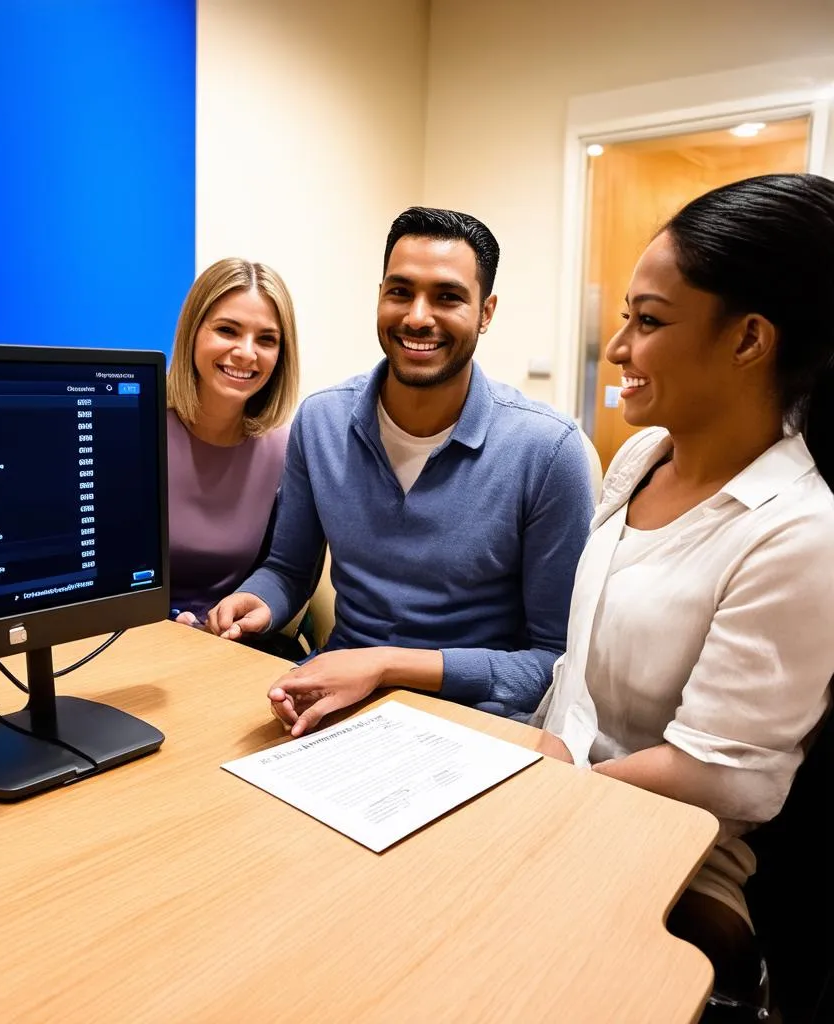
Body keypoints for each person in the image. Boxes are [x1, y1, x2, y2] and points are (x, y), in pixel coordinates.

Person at [531, 174, 834, 1010]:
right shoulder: (639, 461)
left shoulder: (798, 531)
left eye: (650, 321)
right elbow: (577, 676)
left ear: (748, 342)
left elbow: (724, 780)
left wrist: (538, 794)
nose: (620, 347)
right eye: (625, 315)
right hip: (552, 799)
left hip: (672, 862)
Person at [206, 207, 595, 722]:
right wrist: (258, 601)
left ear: (486, 311)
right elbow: (289, 569)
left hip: (478, 718)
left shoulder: (547, 450)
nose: (417, 316)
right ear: (380, 295)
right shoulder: (321, 420)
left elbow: (553, 663)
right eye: (400, 291)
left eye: (448, 297)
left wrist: (387, 665)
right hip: (337, 699)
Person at [166, 257, 300, 627]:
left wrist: (240, 619)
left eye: (267, 339)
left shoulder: (287, 450)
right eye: (227, 330)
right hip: (122, 640)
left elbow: (283, 572)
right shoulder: (134, 431)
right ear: (194, 331)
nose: (246, 352)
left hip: (228, 645)